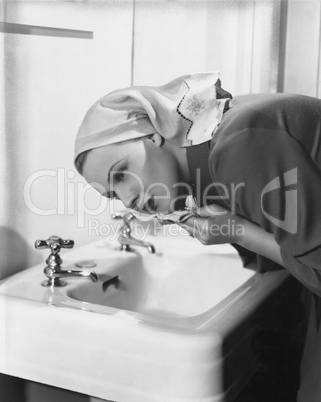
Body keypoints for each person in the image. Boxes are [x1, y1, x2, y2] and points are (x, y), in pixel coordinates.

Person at [74, 72, 321, 401]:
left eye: (121, 173)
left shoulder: (238, 143)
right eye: (114, 195)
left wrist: (238, 231)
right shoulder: (213, 157)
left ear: (154, 133)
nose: (129, 199)